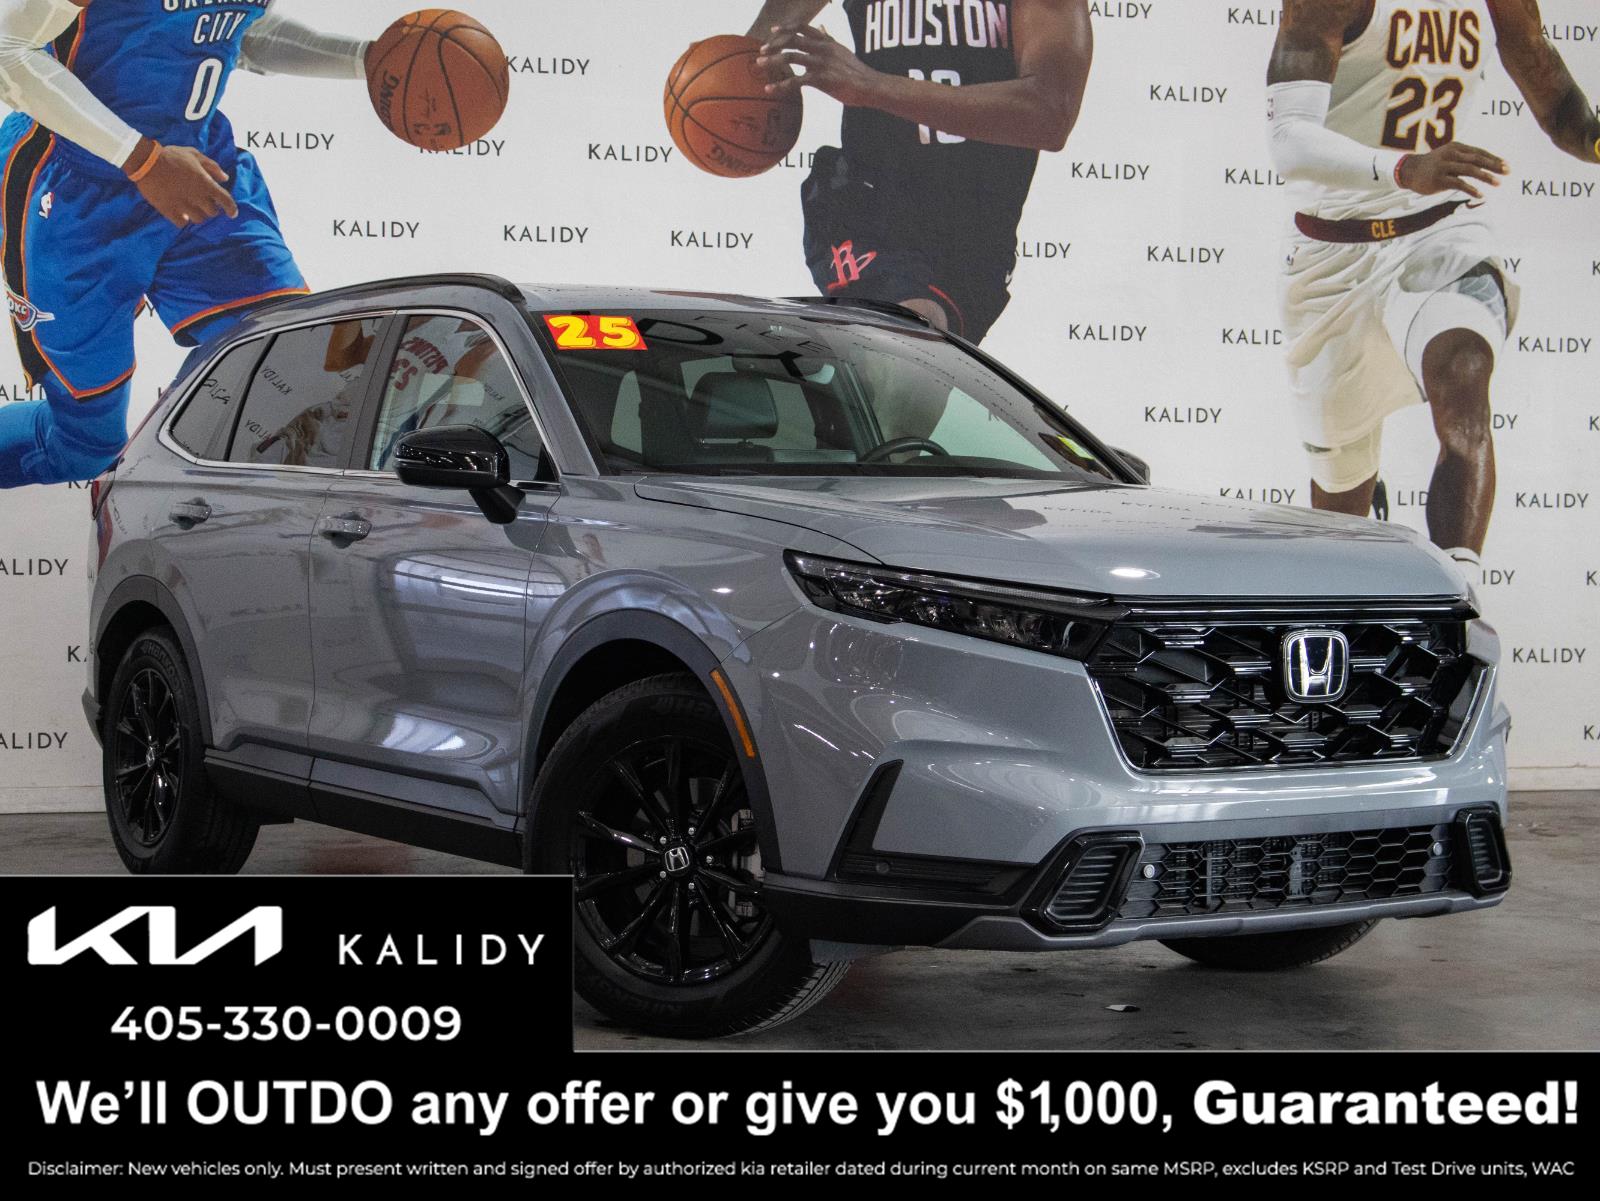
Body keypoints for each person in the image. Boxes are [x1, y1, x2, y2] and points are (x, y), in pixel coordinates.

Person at [1268, 0, 1599, 569]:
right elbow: (1289, 139)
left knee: (1463, 372)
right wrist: (1403, 168)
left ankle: (1459, 591)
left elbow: (1562, 107)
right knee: (1340, 498)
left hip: (1439, 230)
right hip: (1330, 257)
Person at [0, 0, 371, 488]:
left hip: (198, 167)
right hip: (74, 188)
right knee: (85, 447)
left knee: (285, 356)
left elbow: (239, 31)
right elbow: (9, 50)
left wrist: (367, 59)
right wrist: (141, 160)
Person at [752, 0, 1091, 348]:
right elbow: (758, 48)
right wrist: (750, 59)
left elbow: (1049, 113)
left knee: (901, 366)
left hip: (973, 230)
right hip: (868, 199)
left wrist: (872, 86)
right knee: (903, 331)